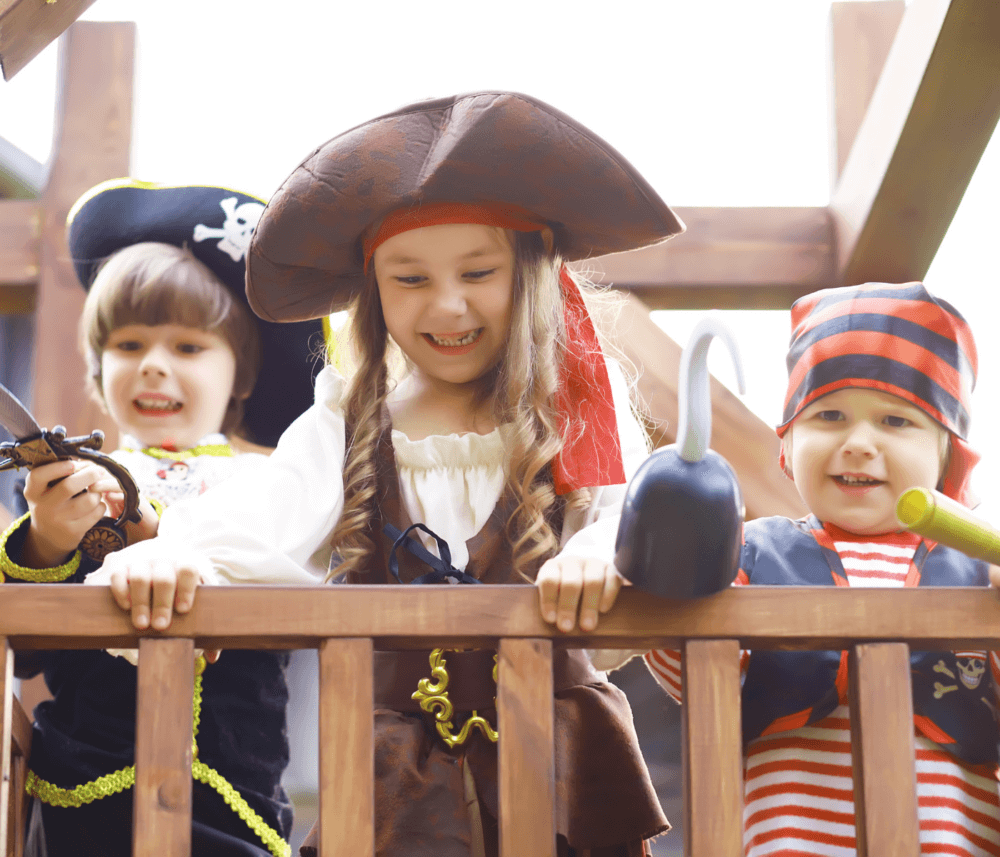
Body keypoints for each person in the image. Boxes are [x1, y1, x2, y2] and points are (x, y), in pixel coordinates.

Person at [95, 91, 684, 856]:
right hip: (397, 796)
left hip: (563, 783)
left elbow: (629, 524)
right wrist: (174, 553)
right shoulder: (348, 424)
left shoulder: (575, 419)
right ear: (374, 291)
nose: (447, 304)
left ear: (529, 274)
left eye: (478, 270)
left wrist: (599, 554)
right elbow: (259, 523)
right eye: (410, 278)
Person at [556, 281, 1000, 856]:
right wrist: (642, 564)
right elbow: (690, 661)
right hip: (793, 844)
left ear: (948, 457)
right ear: (787, 448)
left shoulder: (978, 572)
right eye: (830, 416)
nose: (859, 442)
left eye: (896, 422)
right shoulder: (751, 556)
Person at [0, 179, 324, 857]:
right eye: (128, 345)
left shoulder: (275, 485)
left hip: (232, 788)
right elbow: (23, 647)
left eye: (187, 347)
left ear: (241, 373)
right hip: (86, 787)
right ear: (97, 368)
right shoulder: (68, 486)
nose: (153, 366)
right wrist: (46, 538)